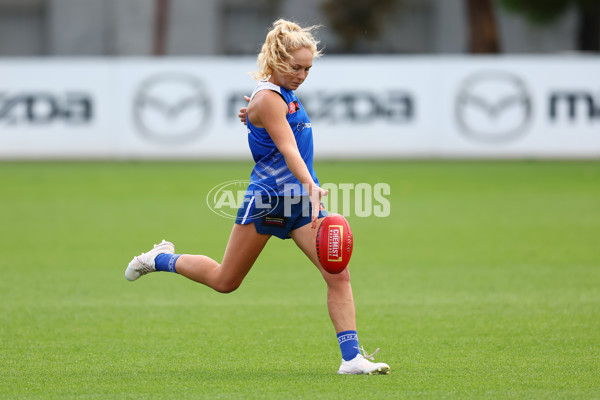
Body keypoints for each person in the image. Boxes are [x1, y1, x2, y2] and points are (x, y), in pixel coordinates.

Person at [125, 19, 390, 375]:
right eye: (296, 67)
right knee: (225, 281)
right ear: (276, 60)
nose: (302, 75)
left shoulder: (277, 96)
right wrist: (310, 183)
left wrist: (255, 119)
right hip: (267, 201)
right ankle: (159, 259)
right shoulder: (268, 99)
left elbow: (267, 121)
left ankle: (351, 359)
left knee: (338, 275)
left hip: (299, 204)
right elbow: (288, 148)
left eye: (308, 69)